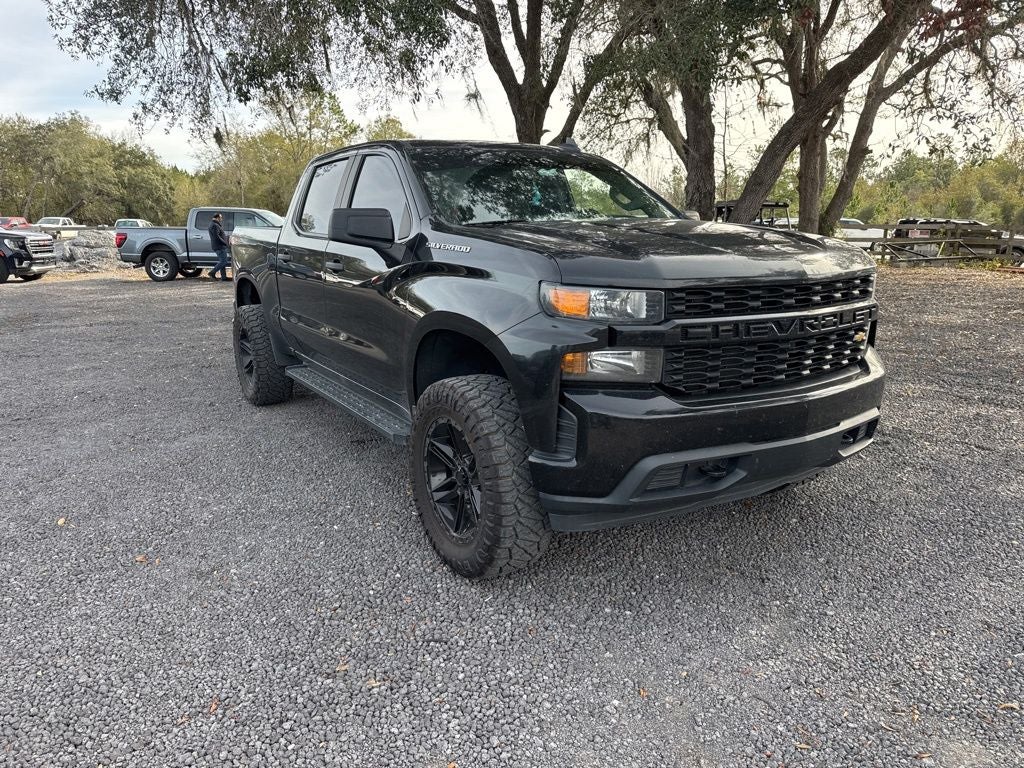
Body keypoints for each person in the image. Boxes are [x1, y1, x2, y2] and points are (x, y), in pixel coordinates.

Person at [208, 213, 231, 281]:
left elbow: (219, 235)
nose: (221, 219)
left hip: (219, 246)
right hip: (219, 246)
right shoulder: (214, 225)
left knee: (222, 261)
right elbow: (217, 237)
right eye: (221, 217)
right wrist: (225, 243)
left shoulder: (214, 224)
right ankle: (212, 272)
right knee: (224, 261)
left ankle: (223, 277)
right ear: (217, 218)